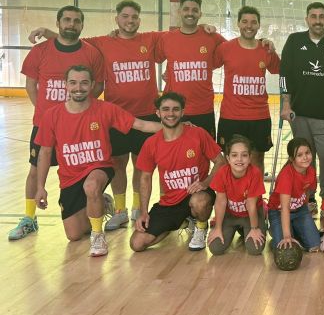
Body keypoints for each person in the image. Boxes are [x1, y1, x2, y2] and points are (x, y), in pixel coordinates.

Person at [27, 0, 164, 231]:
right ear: (117, 19)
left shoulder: (149, 39)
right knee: (118, 164)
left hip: (145, 114)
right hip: (116, 114)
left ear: (139, 20)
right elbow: (70, 41)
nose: (130, 21)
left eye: (134, 17)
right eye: (125, 16)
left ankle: (137, 208)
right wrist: (49, 32)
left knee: (142, 166)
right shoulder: (102, 42)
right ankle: (119, 210)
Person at [34, 65, 162, 256]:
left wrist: (176, 127)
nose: (79, 87)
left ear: (92, 85)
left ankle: (98, 235)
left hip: (99, 167)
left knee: (91, 185)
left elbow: (141, 125)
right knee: (74, 235)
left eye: (84, 83)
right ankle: (101, 202)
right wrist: (40, 187)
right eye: (73, 83)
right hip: (70, 177)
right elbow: (45, 153)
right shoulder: (51, 115)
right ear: (65, 85)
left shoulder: (105, 109)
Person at [10, 6, 105, 241]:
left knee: (86, 172)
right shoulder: (40, 51)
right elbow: (31, 85)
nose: (71, 25)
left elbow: (98, 86)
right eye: (67, 20)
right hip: (47, 125)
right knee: (34, 171)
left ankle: (96, 205)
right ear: (59, 23)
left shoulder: (91, 53)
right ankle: (30, 218)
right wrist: (43, 113)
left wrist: (81, 112)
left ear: (82, 25)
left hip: (79, 127)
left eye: (76, 21)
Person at [279, 2, 324, 214]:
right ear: (307, 19)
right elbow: (285, 75)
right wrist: (286, 104)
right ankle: (308, 198)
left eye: (322, 16)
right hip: (300, 115)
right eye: (313, 16)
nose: (318, 20)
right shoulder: (294, 41)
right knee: (303, 160)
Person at [130, 92, 226, 252]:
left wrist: (205, 183)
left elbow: (221, 162)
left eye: (175, 109)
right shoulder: (151, 143)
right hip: (171, 201)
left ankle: (200, 227)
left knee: (200, 202)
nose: (170, 113)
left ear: (182, 112)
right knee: (137, 244)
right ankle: (179, 221)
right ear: (158, 113)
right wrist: (144, 212)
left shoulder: (198, 134)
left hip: (197, 194)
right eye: (166, 109)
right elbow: (145, 178)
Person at [216, 6, 281, 176]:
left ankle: (257, 201)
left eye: (253, 22)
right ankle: (231, 200)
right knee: (230, 161)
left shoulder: (266, 49)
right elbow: (207, 60)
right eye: (245, 21)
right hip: (231, 117)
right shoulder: (225, 48)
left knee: (257, 159)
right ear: (238, 23)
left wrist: (269, 43)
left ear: (259, 25)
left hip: (259, 117)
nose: (249, 25)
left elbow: (279, 69)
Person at [155, 0, 226, 137]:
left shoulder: (212, 37)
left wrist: (261, 41)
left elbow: (236, 49)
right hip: (174, 110)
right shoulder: (167, 38)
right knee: (174, 154)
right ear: (179, 11)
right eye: (186, 9)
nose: (190, 13)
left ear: (200, 14)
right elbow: (155, 58)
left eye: (194, 10)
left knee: (205, 154)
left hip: (203, 109)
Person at [207, 135, 267, 255]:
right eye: (234, 155)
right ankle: (240, 229)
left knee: (255, 249)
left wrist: (254, 229)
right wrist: (218, 228)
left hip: (251, 215)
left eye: (244, 155)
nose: (239, 159)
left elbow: (251, 204)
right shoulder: (222, 173)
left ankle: (256, 222)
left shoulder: (255, 173)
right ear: (228, 158)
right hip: (231, 214)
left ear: (250, 158)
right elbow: (220, 202)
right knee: (216, 248)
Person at [266, 137, 322, 251]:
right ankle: (278, 230)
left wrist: (305, 213)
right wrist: (286, 237)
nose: (305, 157)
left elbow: (306, 193)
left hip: (299, 210)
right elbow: (285, 208)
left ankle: (294, 228)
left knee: (315, 244)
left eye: (307, 153)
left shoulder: (311, 171)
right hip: (279, 211)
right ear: (292, 158)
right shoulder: (286, 175)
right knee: (284, 247)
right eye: (299, 155)